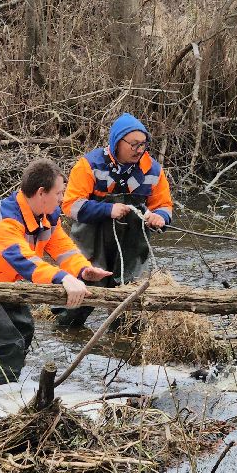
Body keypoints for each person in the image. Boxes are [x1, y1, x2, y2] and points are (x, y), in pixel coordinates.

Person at [0, 158, 111, 384]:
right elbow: (25, 261)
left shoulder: (47, 217)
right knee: (7, 342)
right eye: (59, 193)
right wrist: (63, 278)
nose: (62, 199)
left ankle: (3, 382)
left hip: (0, 284)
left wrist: (83, 270)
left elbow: (62, 248)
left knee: (24, 329)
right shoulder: (5, 220)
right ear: (41, 193)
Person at [57, 113, 173, 327]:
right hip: (92, 244)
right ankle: (66, 331)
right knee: (81, 299)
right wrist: (107, 210)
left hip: (131, 248)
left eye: (143, 144)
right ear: (117, 143)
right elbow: (70, 205)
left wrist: (160, 217)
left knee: (129, 307)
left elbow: (165, 206)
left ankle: (122, 349)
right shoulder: (89, 165)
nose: (140, 150)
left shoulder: (153, 170)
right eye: (134, 144)